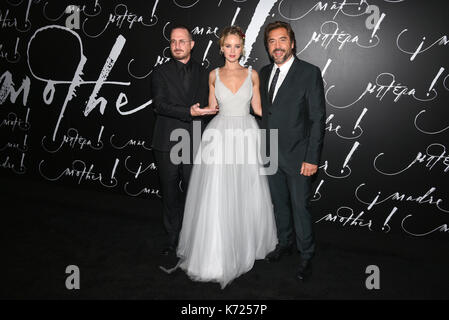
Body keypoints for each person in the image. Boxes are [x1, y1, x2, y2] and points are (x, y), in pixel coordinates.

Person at [169, 26, 278, 289]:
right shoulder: (213, 75)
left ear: (243, 47)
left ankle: (243, 245)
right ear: (221, 48)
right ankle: (215, 252)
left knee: (245, 192)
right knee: (217, 194)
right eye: (227, 46)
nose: (232, 51)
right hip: (218, 135)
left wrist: (285, 121)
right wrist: (195, 111)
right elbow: (212, 107)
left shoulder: (253, 75)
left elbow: (259, 109)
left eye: (236, 46)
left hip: (246, 136)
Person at [259, 21, 326, 281]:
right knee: (279, 205)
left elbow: (317, 119)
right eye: (272, 42)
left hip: (299, 157)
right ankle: (284, 244)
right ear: (268, 46)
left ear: (292, 43)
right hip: (270, 153)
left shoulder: (309, 73)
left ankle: (306, 255)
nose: (277, 46)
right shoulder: (263, 73)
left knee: (300, 207)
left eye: (282, 40)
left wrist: (312, 158)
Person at [151, 25, 218, 256]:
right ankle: (172, 238)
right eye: (173, 41)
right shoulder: (160, 73)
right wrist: (189, 112)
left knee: (194, 193)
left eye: (182, 41)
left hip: (195, 143)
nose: (177, 45)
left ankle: (192, 238)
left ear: (192, 44)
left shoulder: (205, 73)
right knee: (169, 194)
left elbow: (212, 105)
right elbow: (159, 105)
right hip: (166, 143)